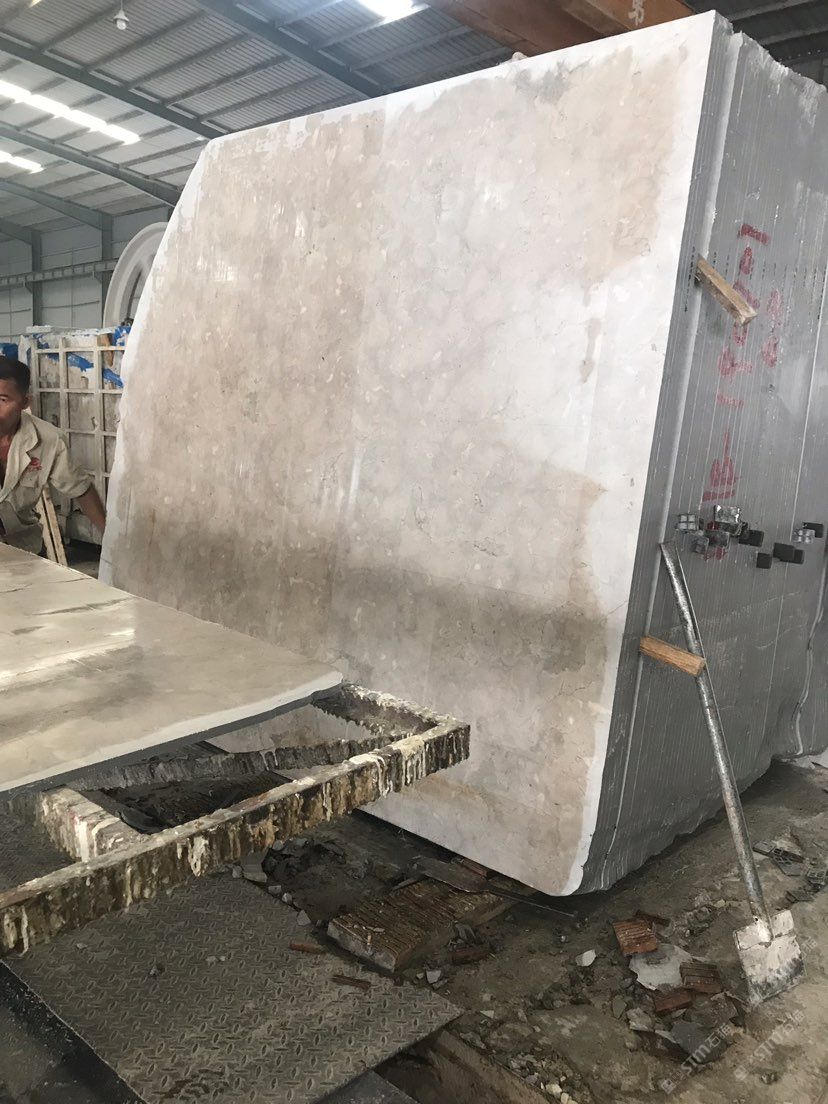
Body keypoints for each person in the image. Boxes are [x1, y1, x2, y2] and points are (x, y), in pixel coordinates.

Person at [0, 355, 106, 554]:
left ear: (25, 402)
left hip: (23, 547)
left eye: (2, 399)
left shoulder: (49, 440)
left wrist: (108, 539)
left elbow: (80, 489)